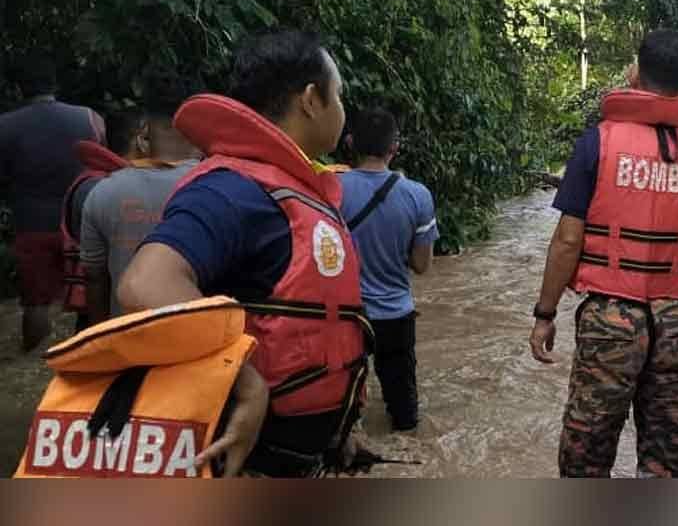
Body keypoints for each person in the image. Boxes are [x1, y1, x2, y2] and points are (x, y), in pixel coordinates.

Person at [116, 31, 371, 478]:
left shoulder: (284, 189)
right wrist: (246, 382)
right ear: (312, 100)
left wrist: (340, 425)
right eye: (340, 96)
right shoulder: (233, 188)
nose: (344, 110)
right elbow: (145, 286)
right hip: (247, 459)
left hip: (299, 457)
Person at [528, 29, 678, 478]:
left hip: (608, 321)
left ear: (633, 74)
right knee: (664, 461)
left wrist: (544, 313)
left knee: (586, 457)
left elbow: (567, 241)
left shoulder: (596, 145)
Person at [340, 108, 438, 432]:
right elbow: (422, 266)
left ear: (350, 142)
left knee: (342, 408)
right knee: (405, 416)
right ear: (394, 147)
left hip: (347, 315)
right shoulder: (417, 195)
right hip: (395, 315)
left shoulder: (329, 190)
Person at [79, 70, 202, 324]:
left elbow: (94, 278)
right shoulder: (219, 187)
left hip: (126, 343)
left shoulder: (102, 193)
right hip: (200, 346)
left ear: (144, 133)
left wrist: (103, 342)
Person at [0, 53, 105, 351]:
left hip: (33, 224)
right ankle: (89, 351)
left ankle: (31, 354)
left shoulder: (6, 126)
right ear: (55, 85)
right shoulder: (89, 118)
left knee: (36, 302)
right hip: (81, 221)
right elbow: (102, 164)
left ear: (19, 89)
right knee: (90, 293)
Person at [60, 106, 145, 331]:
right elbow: (97, 271)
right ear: (141, 139)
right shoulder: (101, 188)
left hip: (102, 308)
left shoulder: (92, 181)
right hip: (105, 311)